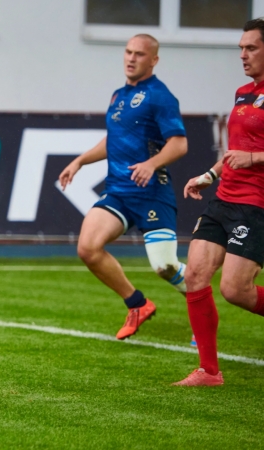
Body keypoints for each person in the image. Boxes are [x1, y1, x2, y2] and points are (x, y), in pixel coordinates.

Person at [58, 34, 189, 340]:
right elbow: (114, 139)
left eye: (139, 54)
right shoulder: (118, 95)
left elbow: (179, 144)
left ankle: (200, 303)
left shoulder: (160, 96)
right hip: (119, 191)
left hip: (152, 192)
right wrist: (80, 161)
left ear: (154, 60)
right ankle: (137, 304)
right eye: (128, 52)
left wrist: (151, 164)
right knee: (88, 248)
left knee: (165, 266)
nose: (131, 58)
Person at [173, 18, 264, 387]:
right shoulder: (243, 93)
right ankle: (209, 371)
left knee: (235, 290)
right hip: (224, 198)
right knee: (194, 274)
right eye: (241, 48)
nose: (243, 55)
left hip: (256, 205)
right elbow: (234, 152)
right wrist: (209, 176)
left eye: (251, 48)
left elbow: (248, 154)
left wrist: (254, 159)